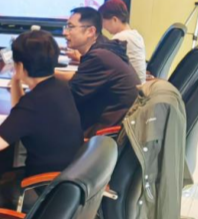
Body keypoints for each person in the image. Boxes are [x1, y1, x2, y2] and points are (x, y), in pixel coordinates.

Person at [0, 31, 84, 204]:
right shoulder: (58, 87)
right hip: (66, 179)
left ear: (20, 66)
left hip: (42, 187)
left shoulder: (34, 102)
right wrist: (16, 81)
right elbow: (20, 112)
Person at [58, 7, 140, 135]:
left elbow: (70, 97)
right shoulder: (105, 47)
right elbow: (78, 79)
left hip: (101, 135)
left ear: (90, 31)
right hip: (113, 127)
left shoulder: (99, 57)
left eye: (70, 27)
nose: (65, 32)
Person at [99, 0, 146, 82]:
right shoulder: (135, 35)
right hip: (139, 84)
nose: (103, 27)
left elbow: (104, 66)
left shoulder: (120, 38)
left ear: (114, 20)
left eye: (103, 22)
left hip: (129, 86)